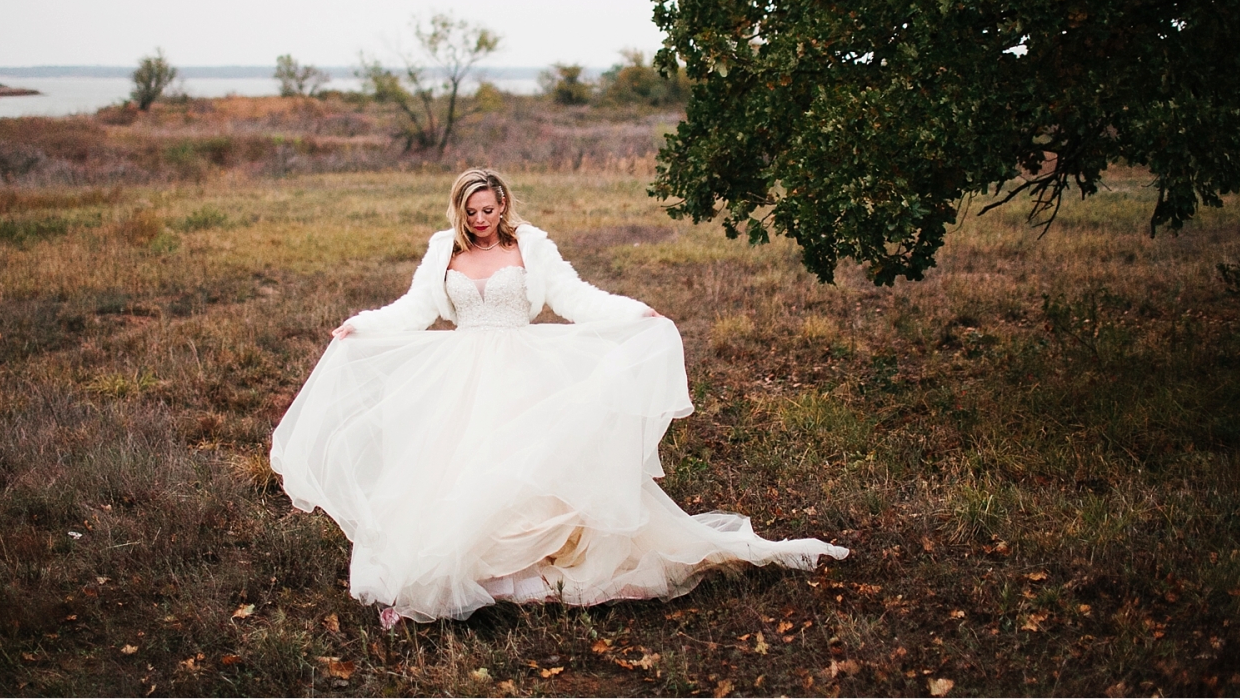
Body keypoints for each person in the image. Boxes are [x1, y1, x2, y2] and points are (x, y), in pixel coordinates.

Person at [270, 168, 847, 624]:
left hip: (524, 365)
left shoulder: (532, 246)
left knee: (532, 469)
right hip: (465, 372)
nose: (481, 221)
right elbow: (414, 311)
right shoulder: (442, 251)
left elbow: (576, 297)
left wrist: (635, 312)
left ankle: (538, 564)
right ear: (459, 211)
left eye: (489, 210)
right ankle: (466, 570)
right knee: (462, 470)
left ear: (504, 205)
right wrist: (361, 325)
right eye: (471, 212)